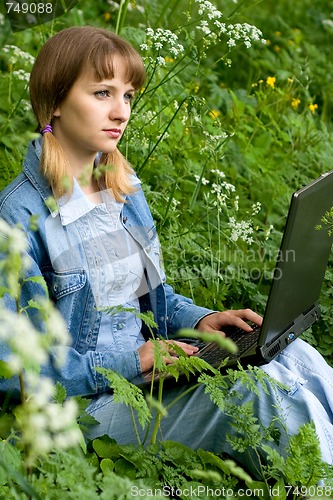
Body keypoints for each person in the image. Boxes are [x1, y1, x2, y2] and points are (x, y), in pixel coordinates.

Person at [0, 26, 333, 475]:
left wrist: (198, 320)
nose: (121, 112)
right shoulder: (18, 217)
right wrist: (133, 361)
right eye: (102, 93)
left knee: (294, 355)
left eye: (129, 96)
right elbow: (18, 371)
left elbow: (150, 297)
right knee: (259, 391)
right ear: (55, 101)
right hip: (84, 410)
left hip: (148, 379)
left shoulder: (121, 185)